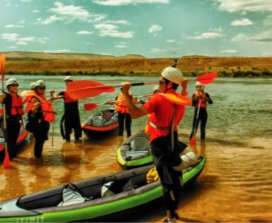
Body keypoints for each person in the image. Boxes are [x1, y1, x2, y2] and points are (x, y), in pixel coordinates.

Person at [121, 66, 189, 223]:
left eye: (161, 81)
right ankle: (175, 211)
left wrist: (125, 93)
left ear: (169, 84)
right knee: (175, 174)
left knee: (166, 181)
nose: (159, 84)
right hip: (173, 138)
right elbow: (183, 91)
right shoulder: (181, 98)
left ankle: (170, 217)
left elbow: (135, 114)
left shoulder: (158, 98)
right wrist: (184, 86)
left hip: (159, 142)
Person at [25, 80, 55, 158]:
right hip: (37, 122)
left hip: (44, 121)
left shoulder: (43, 96)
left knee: (42, 139)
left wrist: (52, 96)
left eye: (43, 88)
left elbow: (48, 104)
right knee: (39, 140)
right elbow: (33, 111)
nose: (42, 90)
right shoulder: (34, 98)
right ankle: (37, 157)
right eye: (40, 88)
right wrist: (36, 106)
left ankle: (38, 155)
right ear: (36, 89)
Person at [51, 76, 82, 142]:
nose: (67, 82)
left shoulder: (77, 91)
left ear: (72, 82)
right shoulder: (63, 92)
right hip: (67, 113)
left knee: (77, 132)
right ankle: (68, 143)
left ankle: (78, 142)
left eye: (69, 81)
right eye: (66, 81)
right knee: (67, 131)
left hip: (75, 113)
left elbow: (86, 94)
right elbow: (54, 98)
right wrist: (52, 94)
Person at [0, 78, 24, 159]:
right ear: (8, 87)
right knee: (9, 140)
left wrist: (22, 121)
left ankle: (12, 157)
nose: (15, 87)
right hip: (7, 121)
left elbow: (20, 112)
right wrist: (1, 97)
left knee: (14, 140)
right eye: (13, 85)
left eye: (16, 85)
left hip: (16, 121)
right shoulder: (6, 96)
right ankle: (9, 157)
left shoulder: (19, 97)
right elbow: (1, 100)